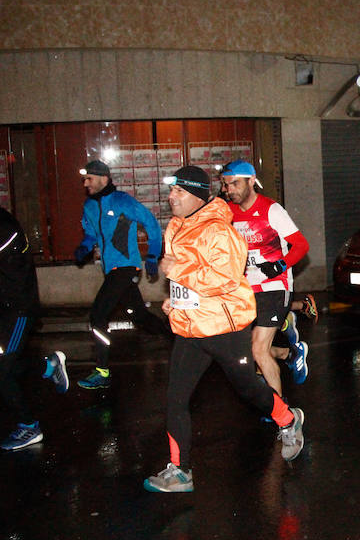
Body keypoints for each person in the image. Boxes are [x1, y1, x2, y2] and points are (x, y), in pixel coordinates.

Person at [144, 166, 304, 493]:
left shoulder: (219, 231)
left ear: (197, 196)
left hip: (222, 327)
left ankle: (288, 418)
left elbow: (226, 278)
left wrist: (179, 271)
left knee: (249, 390)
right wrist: (175, 300)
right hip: (190, 328)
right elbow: (185, 281)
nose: (171, 196)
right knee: (175, 400)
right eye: (171, 190)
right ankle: (180, 471)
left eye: (178, 191)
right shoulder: (176, 227)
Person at [74, 160, 171, 390]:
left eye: (89, 178)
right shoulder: (89, 206)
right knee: (139, 316)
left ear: (103, 179)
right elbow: (91, 234)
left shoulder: (121, 201)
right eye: (84, 179)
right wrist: (84, 247)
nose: (85, 183)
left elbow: (151, 224)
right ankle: (180, 341)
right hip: (110, 269)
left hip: (126, 267)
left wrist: (153, 255)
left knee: (97, 315)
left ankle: (102, 371)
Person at [221, 160, 310, 396]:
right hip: (244, 288)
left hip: (274, 285)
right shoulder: (227, 212)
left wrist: (280, 265)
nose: (230, 189)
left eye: (235, 183)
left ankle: (282, 413)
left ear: (251, 181)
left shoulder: (271, 209)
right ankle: (288, 353)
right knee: (241, 351)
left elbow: (301, 246)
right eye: (226, 185)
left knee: (259, 350)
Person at [1, 207, 69, 450]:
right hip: (5, 309)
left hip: (16, 310)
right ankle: (47, 365)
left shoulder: (4, 227)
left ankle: (29, 426)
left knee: (2, 370)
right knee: (9, 365)